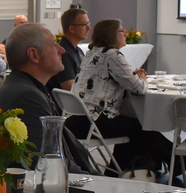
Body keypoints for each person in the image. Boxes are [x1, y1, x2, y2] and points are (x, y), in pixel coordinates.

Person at [70, 19, 174, 172]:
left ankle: (137, 168)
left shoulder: (92, 53)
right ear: (112, 34)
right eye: (121, 31)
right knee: (144, 127)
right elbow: (139, 89)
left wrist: (133, 76)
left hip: (76, 120)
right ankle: (124, 171)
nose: (125, 34)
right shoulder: (112, 55)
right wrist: (141, 78)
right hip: (96, 121)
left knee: (137, 126)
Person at [0, 23, 66, 153]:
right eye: (53, 44)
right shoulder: (27, 97)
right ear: (34, 55)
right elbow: (47, 159)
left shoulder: (23, 86)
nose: (61, 50)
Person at [47, 7, 90, 91]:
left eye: (88, 24)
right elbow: (70, 87)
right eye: (84, 25)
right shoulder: (63, 53)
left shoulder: (77, 50)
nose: (89, 28)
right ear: (72, 29)